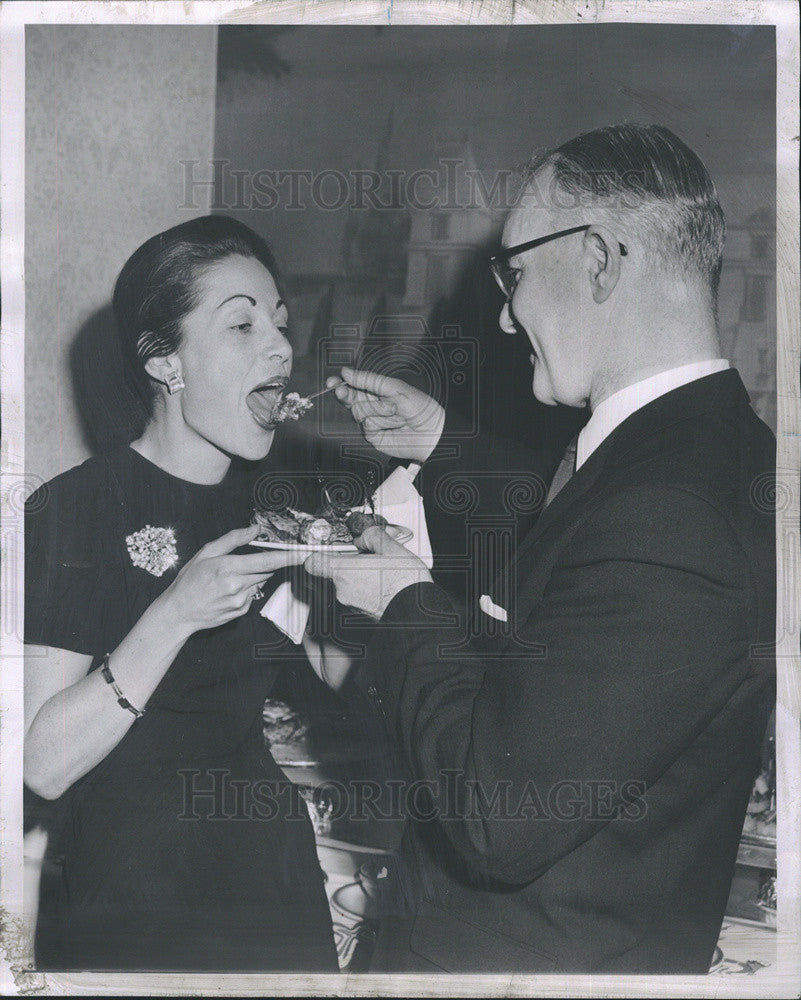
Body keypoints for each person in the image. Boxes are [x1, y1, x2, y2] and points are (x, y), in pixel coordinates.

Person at [305, 124, 776, 973]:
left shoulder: (671, 520)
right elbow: (584, 535)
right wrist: (444, 443)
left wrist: (399, 596)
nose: (503, 311)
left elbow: (496, 812)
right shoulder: (706, 452)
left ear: (598, 259)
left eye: (513, 273)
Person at [23, 216, 338, 972]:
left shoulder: (279, 500)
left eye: (280, 322)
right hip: (135, 893)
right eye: (241, 323)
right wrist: (173, 613)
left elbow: (321, 676)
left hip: (270, 877)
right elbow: (40, 764)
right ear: (165, 363)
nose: (279, 345)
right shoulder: (73, 508)